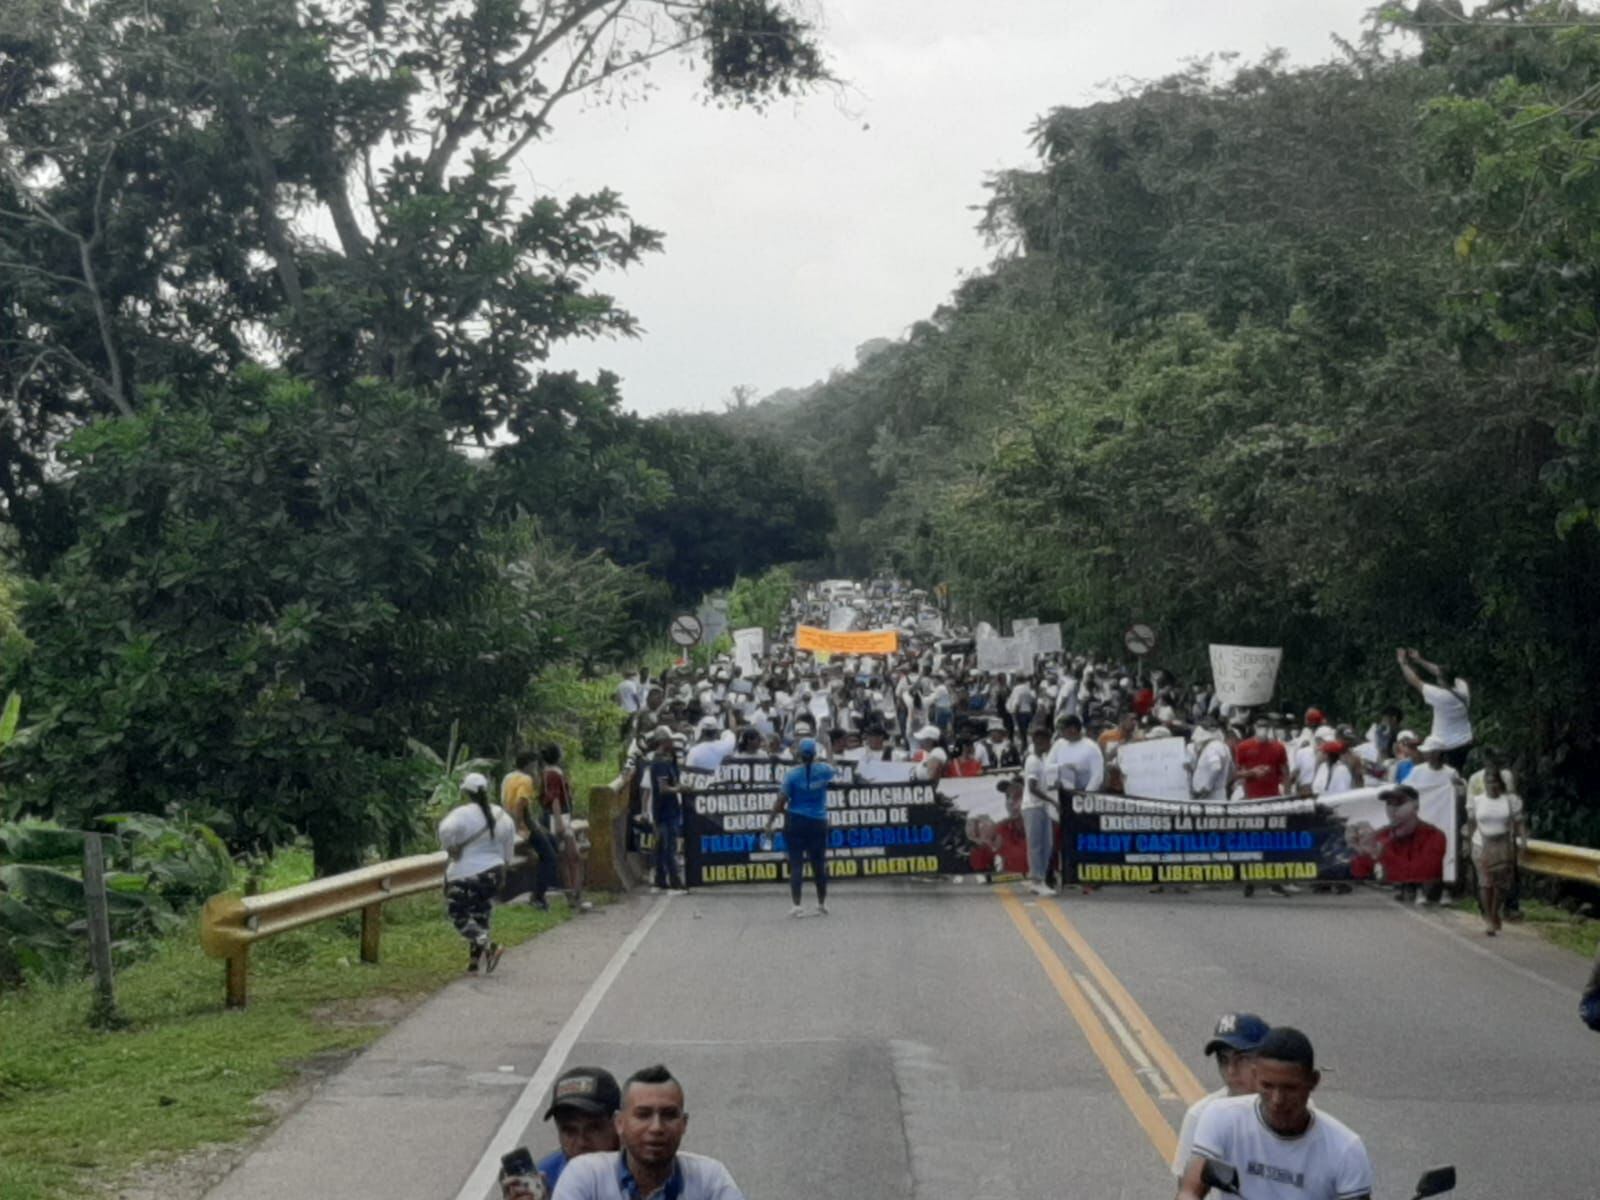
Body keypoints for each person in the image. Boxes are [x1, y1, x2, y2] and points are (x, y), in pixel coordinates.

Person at [1179, 1027, 1373, 1200]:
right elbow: (1189, 1191)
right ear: (1255, 1076)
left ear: (1313, 1081)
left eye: (1290, 1088)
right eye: (1267, 1086)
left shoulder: (1346, 1150)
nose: (1277, 1100)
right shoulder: (1220, 1117)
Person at [551, 1065, 745, 1200]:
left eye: (669, 1115)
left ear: (684, 1124)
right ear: (620, 1123)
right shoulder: (583, 1175)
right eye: (643, 1115)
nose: (656, 1127)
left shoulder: (711, 1179)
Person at [1170, 1013, 1271, 1182]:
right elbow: (1185, 1188)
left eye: (1242, 1059)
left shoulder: (1291, 1114)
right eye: (1223, 1060)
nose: (1231, 1070)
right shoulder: (1200, 1116)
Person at [437, 772, 516, 974]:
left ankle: (488, 945)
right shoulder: (501, 814)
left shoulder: (462, 814)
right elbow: (509, 847)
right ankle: (473, 964)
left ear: (465, 792)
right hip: (494, 874)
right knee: (481, 913)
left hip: (467, 874)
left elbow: (445, 829)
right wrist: (504, 867)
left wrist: (450, 847)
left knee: (458, 914)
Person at [764, 734, 835, 917]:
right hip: (818, 821)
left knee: (796, 864)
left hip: (795, 821)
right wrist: (828, 747)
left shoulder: (792, 775)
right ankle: (821, 903)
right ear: (814, 753)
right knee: (818, 864)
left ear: (799, 754)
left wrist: (771, 821)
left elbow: (780, 801)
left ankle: (797, 905)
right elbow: (833, 766)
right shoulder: (824, 771)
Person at [526, 1067, 623, 1194]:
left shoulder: (644, 1173)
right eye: (569, 1131)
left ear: (619, 1124)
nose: (582, 1143)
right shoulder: (548, 1177)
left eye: (594, 1129)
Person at [1466, 765, 1523, 935]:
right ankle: (1489, 919)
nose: (1493, 786)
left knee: (1501, 885)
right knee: (1485, 882)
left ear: (1501, 783)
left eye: (1495, 782)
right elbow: (1471, 824)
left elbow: (1519, 823)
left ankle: (1495, 911)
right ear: (1484, 783)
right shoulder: (1477, 801)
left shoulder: (1510, 800)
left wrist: (1523, 842)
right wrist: (1469, 844)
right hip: (1481, 844)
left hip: (1503, 846)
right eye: (1489, 782)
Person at [503, 749, 561, 912]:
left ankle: (543, 886)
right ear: (529, 766)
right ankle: (538, 896)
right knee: (550, 857)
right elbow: (521, 804)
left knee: (552, 843)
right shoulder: (526, 780)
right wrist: (520, 826)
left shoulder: (510, 777)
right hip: (523, 822)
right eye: (535, 766)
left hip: (515, 819)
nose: (537, 769)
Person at [1397, 647, 1472, 770]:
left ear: (1440, 680)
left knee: (1428, 765)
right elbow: (1439, 671)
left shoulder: (1441, 696)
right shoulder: (1462, 687)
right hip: (1465, 741)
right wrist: (1419, 660)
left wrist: (1403, 663)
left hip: (1445, 746)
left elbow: (1414, 681)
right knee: (1456, 774)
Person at [540, 744, 591, 912]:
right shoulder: (554, 774)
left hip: (554, 817)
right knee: (574, 857)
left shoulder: (547, 772)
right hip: (559, 818)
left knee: (565, 857)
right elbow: (554, 799)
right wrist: (560, 823)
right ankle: (575, 895)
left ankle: (572, 895)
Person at [646, 732, 687, 893]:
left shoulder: (667, 761)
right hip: (665, 810)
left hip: (666, 809)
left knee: (663, 846)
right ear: (663, 742)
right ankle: (674, 879)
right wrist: (680, 789)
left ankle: (661, 878)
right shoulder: (660, 763)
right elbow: (663, 789)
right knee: (669, 846)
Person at [1022, 726, 1059, 896]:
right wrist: (1051, 800)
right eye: (1046, 741)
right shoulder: (1033, 761)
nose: (1049, 745)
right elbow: (1032, 788)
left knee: (1046, 844)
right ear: (1038, 741)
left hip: (1041, 807)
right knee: (1037, 845)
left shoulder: (1041, 760)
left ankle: (1038, 878)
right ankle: (1037, 880)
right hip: (1034, 806)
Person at [1234, 716, 1290, 800]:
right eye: (1260, 725)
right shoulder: (1243, 747)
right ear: (1254, 726)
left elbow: (1286, 773)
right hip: (1251, 797)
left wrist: (1287, 795)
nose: (1262, 728)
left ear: (1269, 728)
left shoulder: (1279, 747)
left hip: (1273, 796)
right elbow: (1236, 773)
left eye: (1265, 725)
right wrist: (1252, 772)